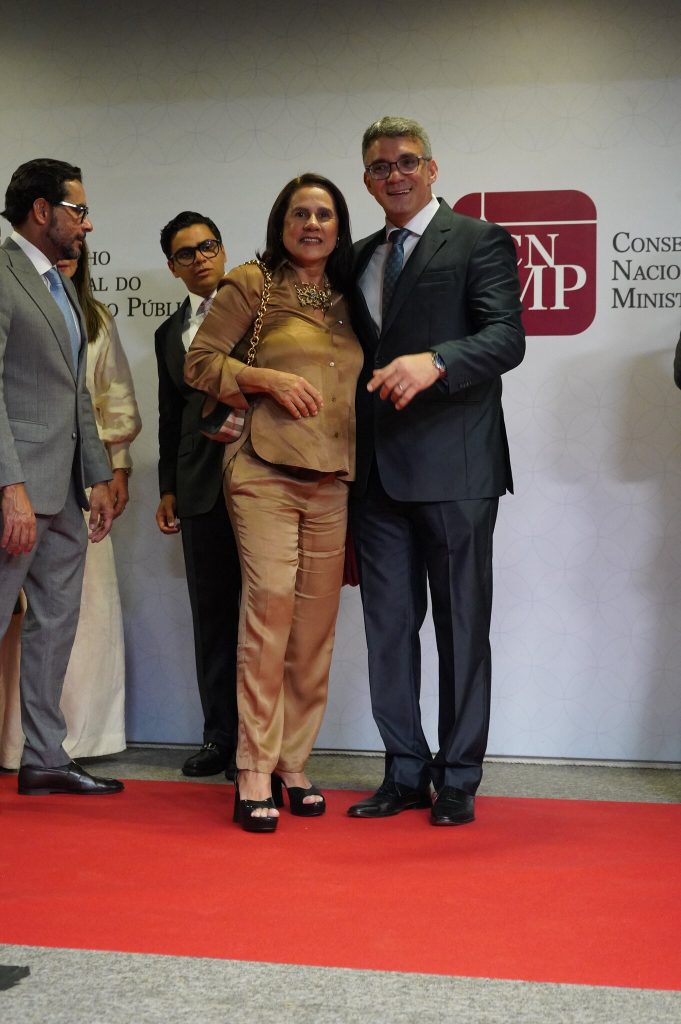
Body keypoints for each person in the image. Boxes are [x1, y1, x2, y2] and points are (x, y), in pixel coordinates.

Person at [347, 117, 525, 826]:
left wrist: (438, 361)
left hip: (457, 468)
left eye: (406, 161)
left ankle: (457, 777)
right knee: (387, 632)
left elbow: (505, 337)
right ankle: (402, 770)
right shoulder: (357, 256)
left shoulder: (478, 239)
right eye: (380, 166)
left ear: (431, 168)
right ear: (367, 179)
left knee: (461, 628)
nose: (394, 174)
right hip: (375, 478)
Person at [185, 173, 362, 832]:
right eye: (299, 213)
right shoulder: (252, 283)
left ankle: (293, 761)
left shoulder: (351, 295)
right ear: (281, 223)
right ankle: (254, 766)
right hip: (262, 470)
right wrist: (263, 377)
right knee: (270, 613)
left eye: (324, 214)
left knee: (314, 631)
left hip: (332, 479)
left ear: (340, 228)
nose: (311, 224)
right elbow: (199, 363)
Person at [0, 157, 122, 795]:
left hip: (66, 493)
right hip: (17, 493)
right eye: (78, 210)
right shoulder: (2, 274)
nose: (87, 223)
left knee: (55, 628)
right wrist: (10, 486)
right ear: (42, 210)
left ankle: (45, 758)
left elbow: (76, 393)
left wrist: (97, 476)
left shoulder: (61, 286)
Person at [155, 212, 240, 780]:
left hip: (261, 477)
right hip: (197, 488)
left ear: (223, 249)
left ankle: (262, 743)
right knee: (211, 618)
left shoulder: (260, 311)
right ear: (173, 267)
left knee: (264, 618)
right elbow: (170, 417)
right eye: (186, 253)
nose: (200, 259)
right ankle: (219, 738)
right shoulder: (168, 333)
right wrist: (168, 487)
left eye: (208, 246)